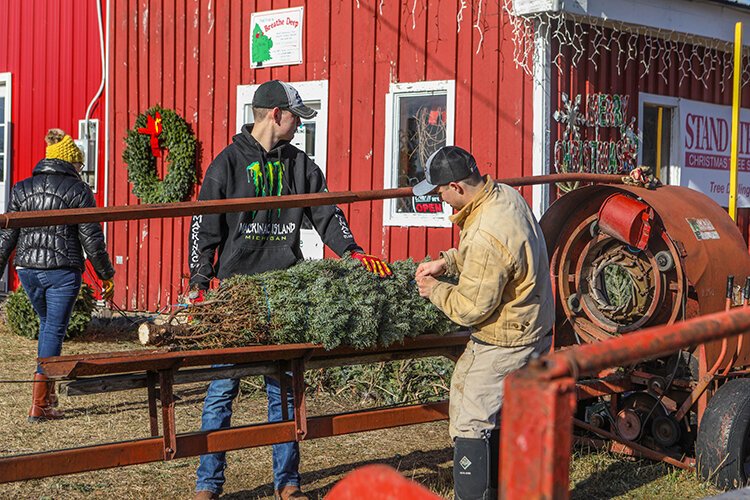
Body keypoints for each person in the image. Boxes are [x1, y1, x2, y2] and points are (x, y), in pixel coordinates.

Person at [189, 79, 391, 500]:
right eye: (296, 117)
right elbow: (204, 228)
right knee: (222, 389)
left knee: (282, 391)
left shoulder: (301, 166)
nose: (299, 125)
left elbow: (326, 212)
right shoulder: (225, 165)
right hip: (236, 294)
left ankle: (288, 482)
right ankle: (208, 484)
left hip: (286, 291)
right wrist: (199, 281)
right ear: (276, 114)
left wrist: (351, 251)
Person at [413, 146, 554, 500]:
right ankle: (505, 490)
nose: (441, 199)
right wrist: (446, 263)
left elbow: (470, 307)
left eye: (440, 191)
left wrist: (434, 290)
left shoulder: (485, 233)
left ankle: (474, 495)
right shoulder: (503, 195)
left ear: (457, 187)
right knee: (497, 411)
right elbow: (501, 257)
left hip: (505, 337)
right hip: (533, 324)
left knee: (471, 420)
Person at [0, 129, 115, 423]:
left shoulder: (21, 189)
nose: (81, 170)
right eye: (79, 165)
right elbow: (92, 239)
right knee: (52, 331)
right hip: (62, 272)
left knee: (47, 326)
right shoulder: (78, 191)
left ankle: (48, 394)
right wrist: (106, 274)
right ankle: (40, 405)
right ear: (70, 163)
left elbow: (6, 237)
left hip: (27, 271)